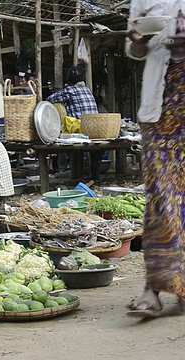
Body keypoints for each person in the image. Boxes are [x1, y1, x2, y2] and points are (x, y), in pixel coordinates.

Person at [126, 1, 185, 318]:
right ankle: (154, 287)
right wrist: (141, 41)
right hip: (160, 103)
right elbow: (133, 50)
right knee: (161, 193)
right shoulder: (143, 0)